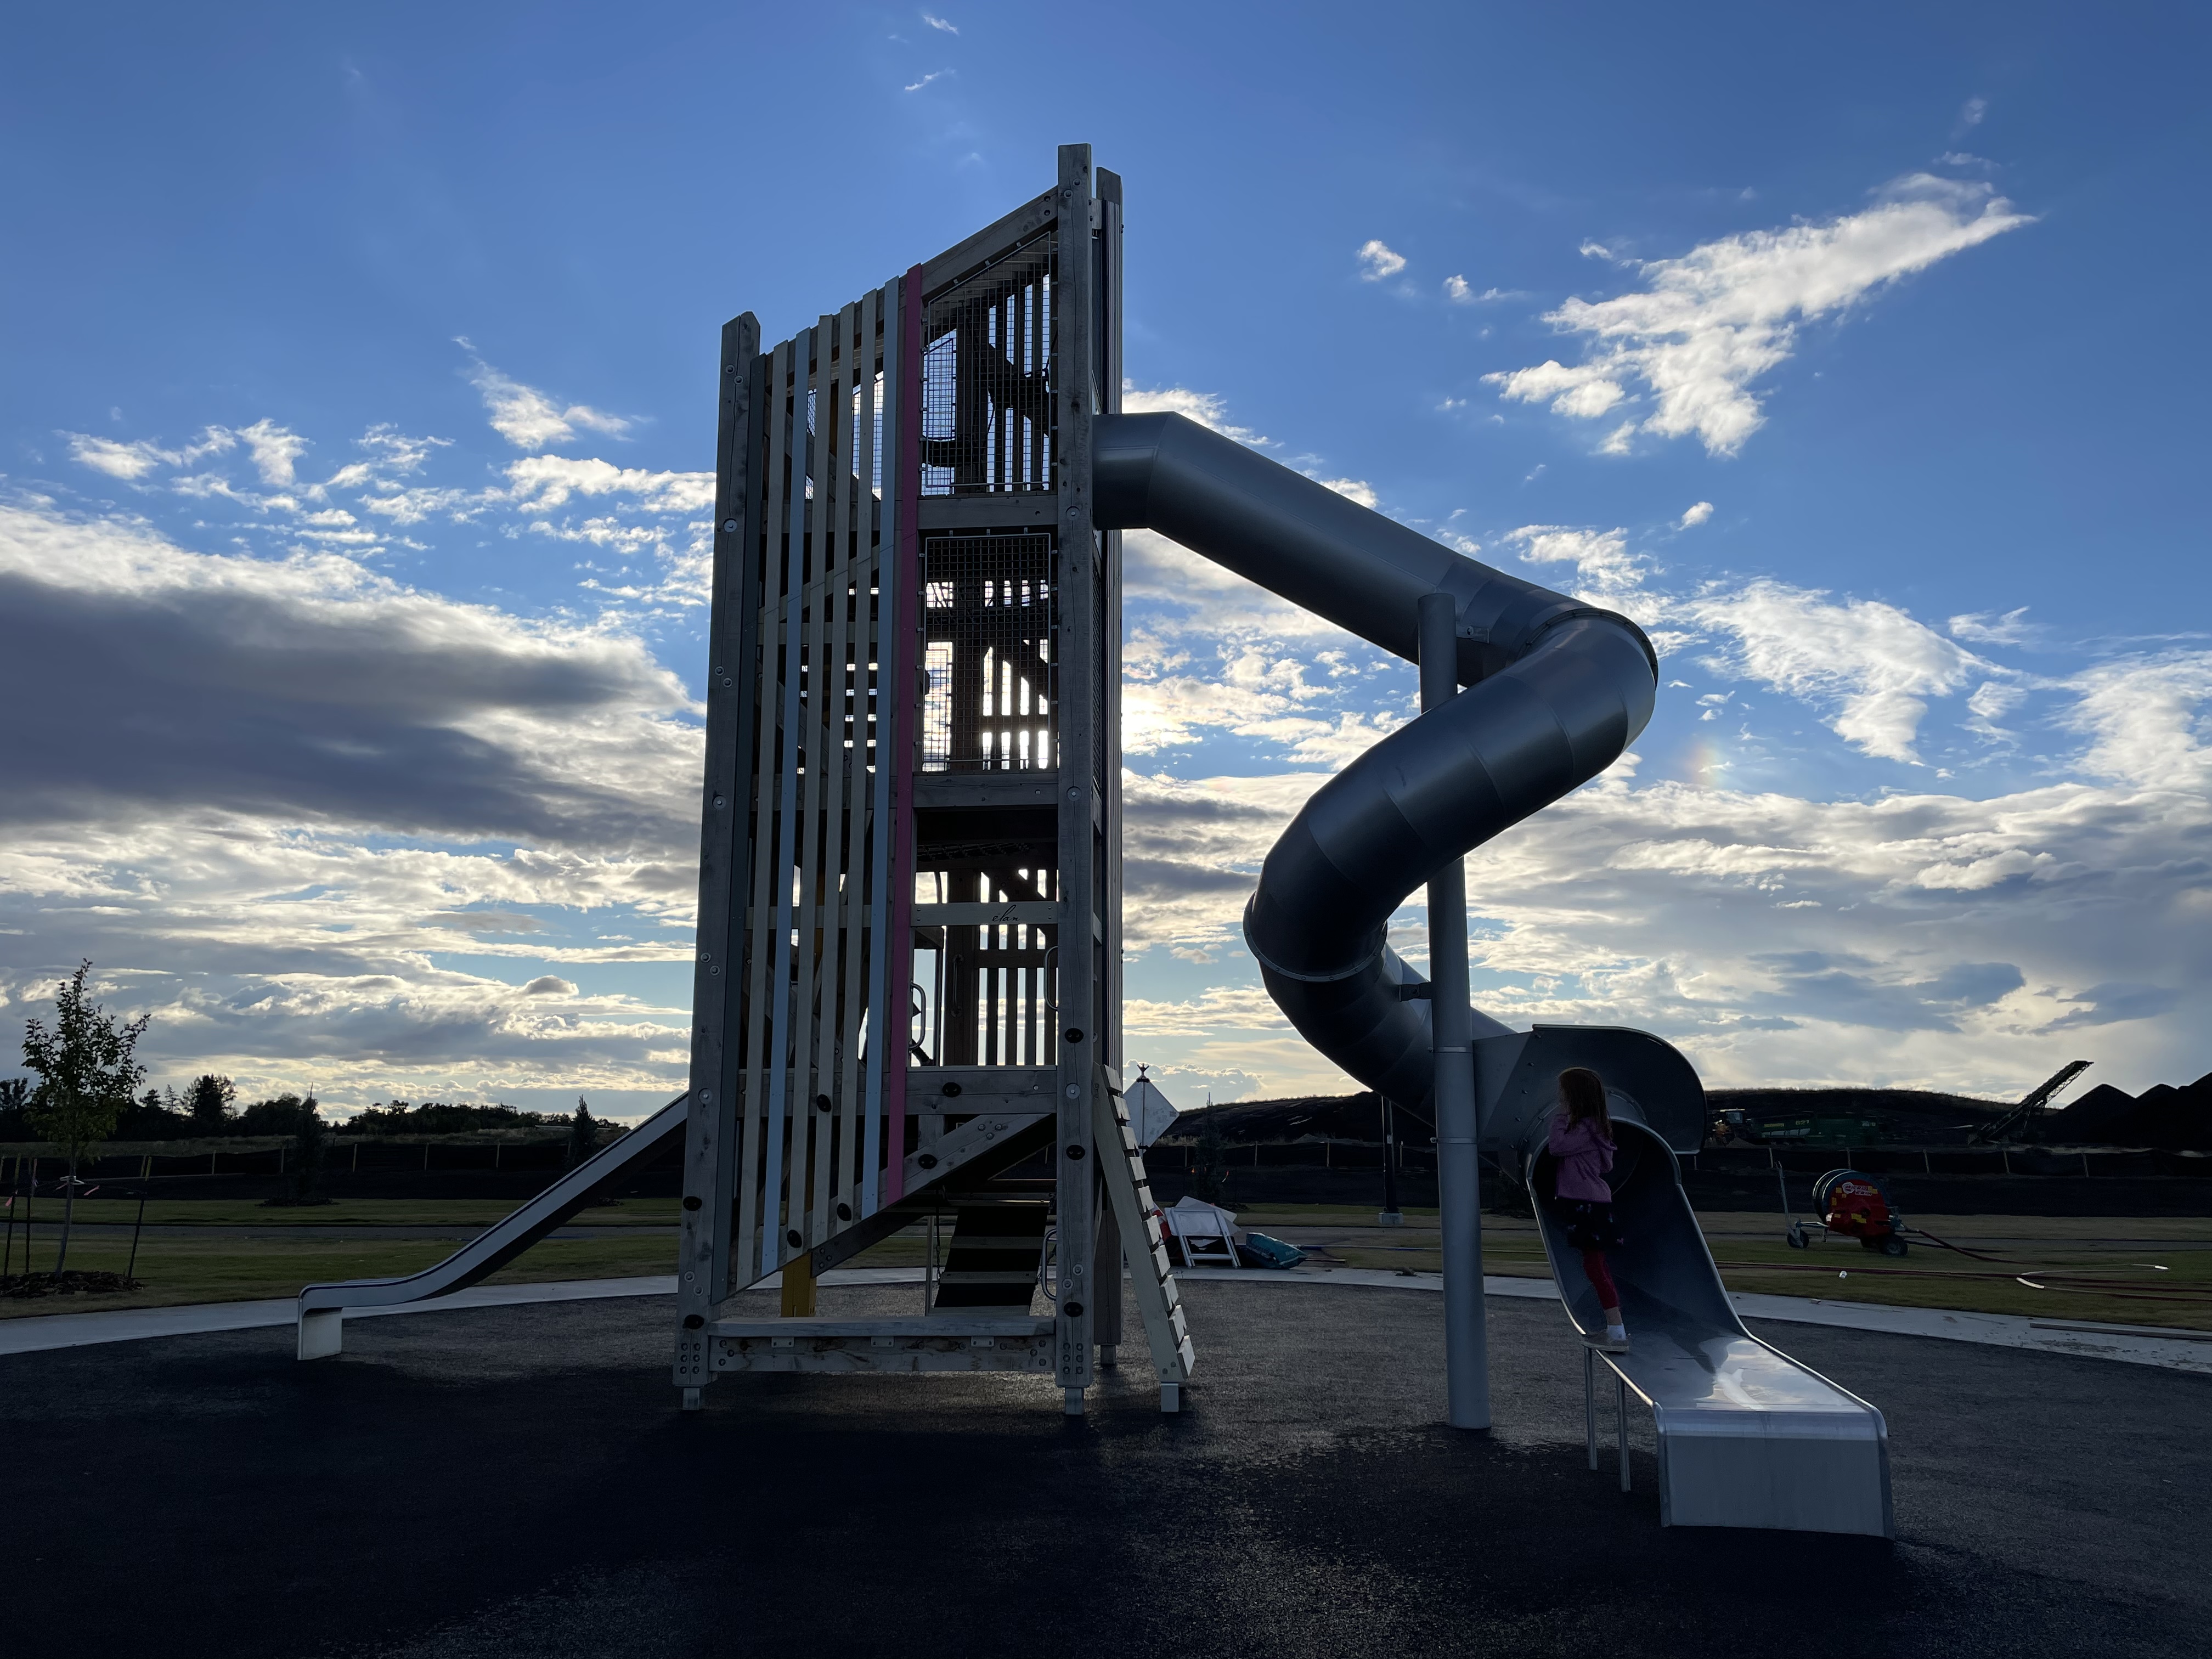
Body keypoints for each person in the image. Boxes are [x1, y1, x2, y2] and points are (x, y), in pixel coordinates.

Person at [1548, 1066, 1629, 1351]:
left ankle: (1617, 1333)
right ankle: (1615, 1330)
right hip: (1596, 1201)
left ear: (1574, 1095)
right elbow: (1607, 1165)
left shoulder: (1581, 1127)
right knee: (1597, 1264)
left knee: (1594, 1266)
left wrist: (1560, 1119)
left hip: (1585, 1203)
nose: (1559, 1096)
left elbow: (1556, 1147)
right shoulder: (1598, 1127)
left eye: (1563, 1091)